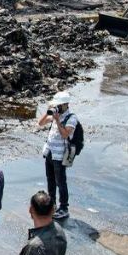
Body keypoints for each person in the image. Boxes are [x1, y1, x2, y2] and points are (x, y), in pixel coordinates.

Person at [37, 91, 78, 220]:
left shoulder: (71, 118)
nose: (57, 107)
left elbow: (65, 134)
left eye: (59, 105)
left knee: (61, 182)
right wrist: (48, 112)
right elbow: (40, 123)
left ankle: (64, 208)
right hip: (49, 152)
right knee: (50, 180)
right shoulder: (56, 114)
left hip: (59, 156)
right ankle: (52, 204)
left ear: (65, 104)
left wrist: (57, 120)